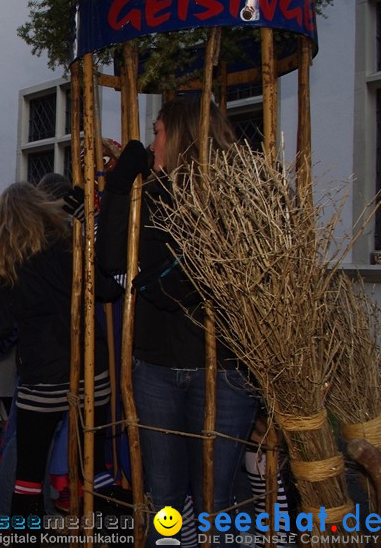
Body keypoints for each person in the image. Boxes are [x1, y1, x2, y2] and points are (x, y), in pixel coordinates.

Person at [96, 96, 258, 546]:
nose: (153, 141)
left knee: (214, 500)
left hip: (223, 369)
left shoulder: (234, 193)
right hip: (155, 368)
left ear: (183, 134)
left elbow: (227, 279)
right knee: (165, 499)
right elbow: (109, 263)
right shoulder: (146, 193)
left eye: (159, 131)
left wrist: (156, 286)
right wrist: (118, 183)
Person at [0, 182, 82, 523]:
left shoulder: (2, 255)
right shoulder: (69, 241)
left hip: (43, 369)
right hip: (88, 362)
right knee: (89, 460)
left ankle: (25, 534)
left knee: (29, 467)